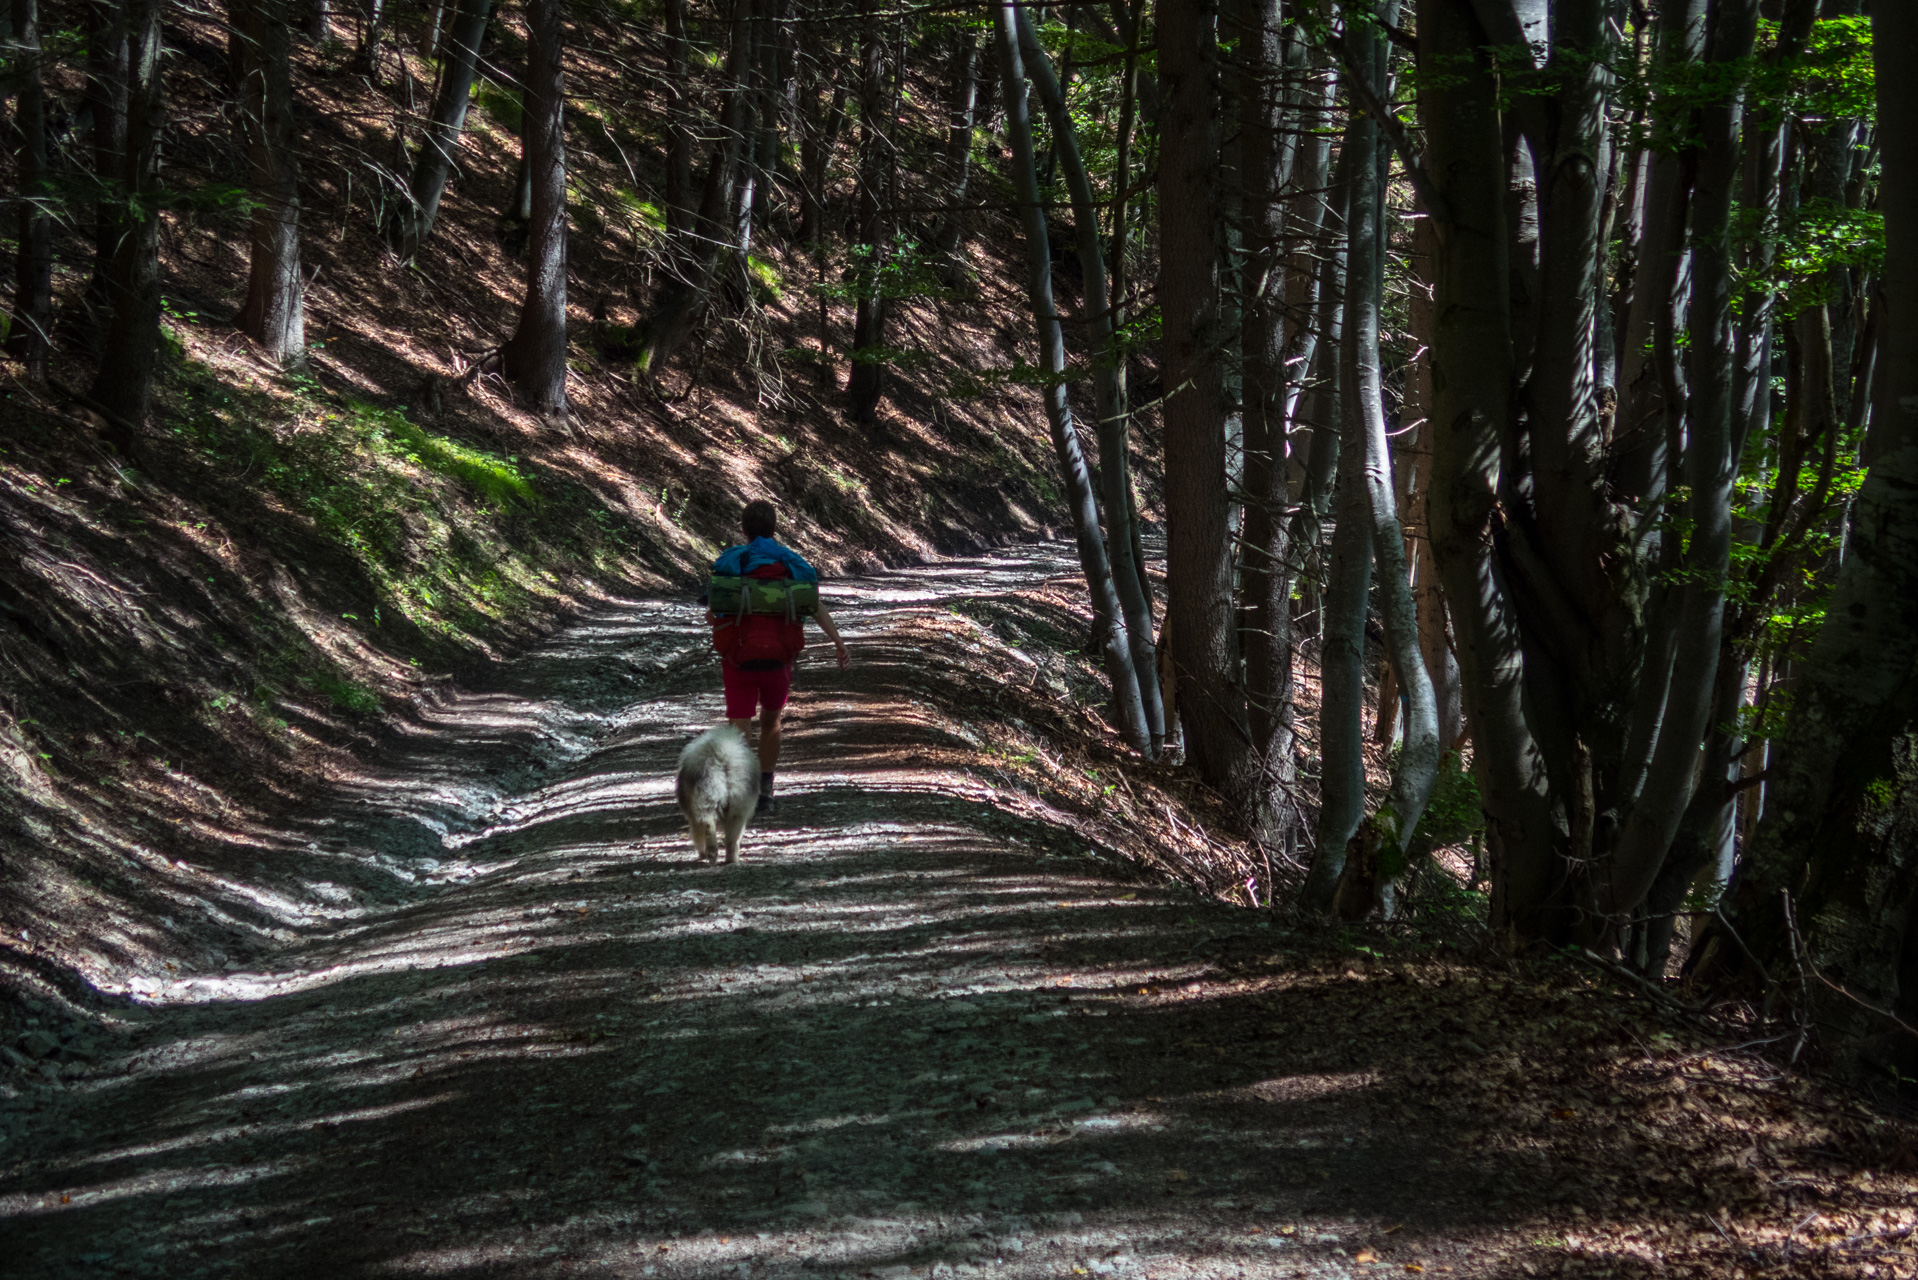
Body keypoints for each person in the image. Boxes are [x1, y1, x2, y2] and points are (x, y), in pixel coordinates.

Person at [706, 499, 849, 814]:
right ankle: (766, 789)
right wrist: (838, 642)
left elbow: (713, 613)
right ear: (774, 528)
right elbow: (814, 605)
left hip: (738, 658)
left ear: (743, 529)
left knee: (739, 723)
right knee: (771, 721)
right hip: (778, 659)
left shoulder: (733, 563)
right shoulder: (791, 564)